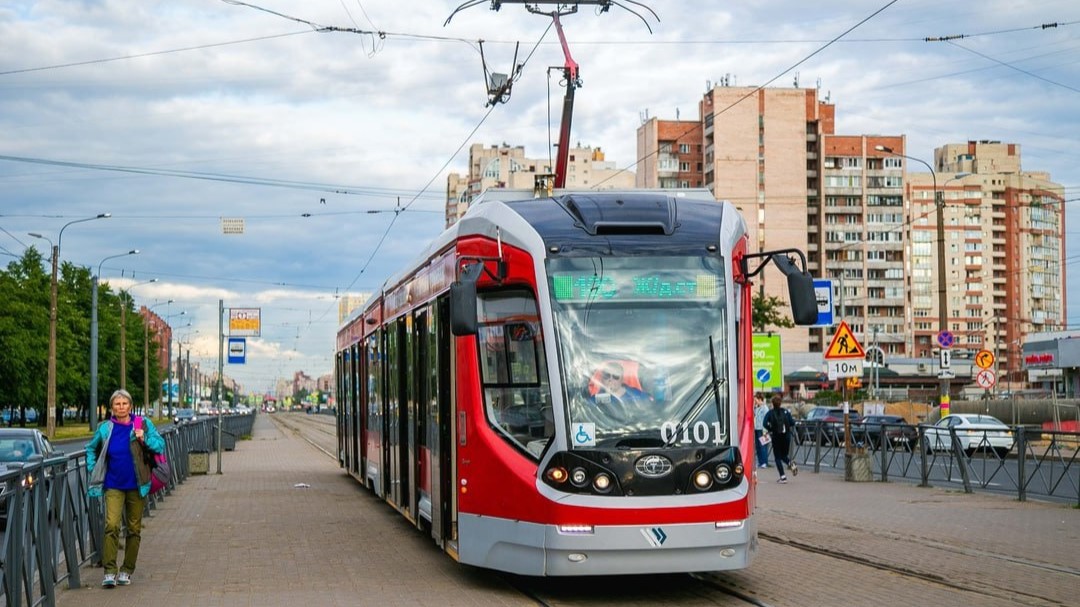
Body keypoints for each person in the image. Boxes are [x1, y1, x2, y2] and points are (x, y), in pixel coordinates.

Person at [85, 389, 165, 588]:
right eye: (117, 404)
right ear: (112, 407)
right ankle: (110, 571)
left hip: (138, 485)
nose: (121, 407)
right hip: (113, 484)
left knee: (134, 529)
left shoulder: (142, 424)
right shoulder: (105, 428)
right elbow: (91, 449)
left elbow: (160, 445)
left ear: (130, 406)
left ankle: (127, 570)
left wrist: (143, 437)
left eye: (124, 404)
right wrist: (93, 468)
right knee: (111, 525)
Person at [762, 394, 798, 483]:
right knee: (784, 455)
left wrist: (771, 428)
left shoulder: (770, 413)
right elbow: (792, 423)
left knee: (778, 457)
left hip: (776, 437)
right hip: (786, 437)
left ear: (772, 404)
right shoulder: (785, 412)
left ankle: (783, 477)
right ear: (780, 403)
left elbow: (764, 423)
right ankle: (790, 463)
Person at [753, 393, 770, 468]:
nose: (755, 401)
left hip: (763, 429)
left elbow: (767, 419)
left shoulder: (765, 408)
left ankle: (764, 462)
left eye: (755, 399)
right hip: (756, 428)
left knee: (763, 446)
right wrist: (754, 406)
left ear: (760, 399)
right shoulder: (757, 407)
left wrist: (765, 430)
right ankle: (760, 462)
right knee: (758, 446)